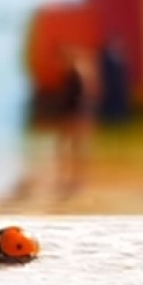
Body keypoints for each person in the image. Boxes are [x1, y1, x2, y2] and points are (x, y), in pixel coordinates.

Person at [54, 46, 100, 199]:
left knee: (74, 148)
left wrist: (76, 117)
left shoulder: (77, 73)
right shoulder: (77, 73)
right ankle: (72, 179)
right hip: (74, 115)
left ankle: (76, 179)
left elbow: (79, 98)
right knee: (72, 148)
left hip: (75, 116)